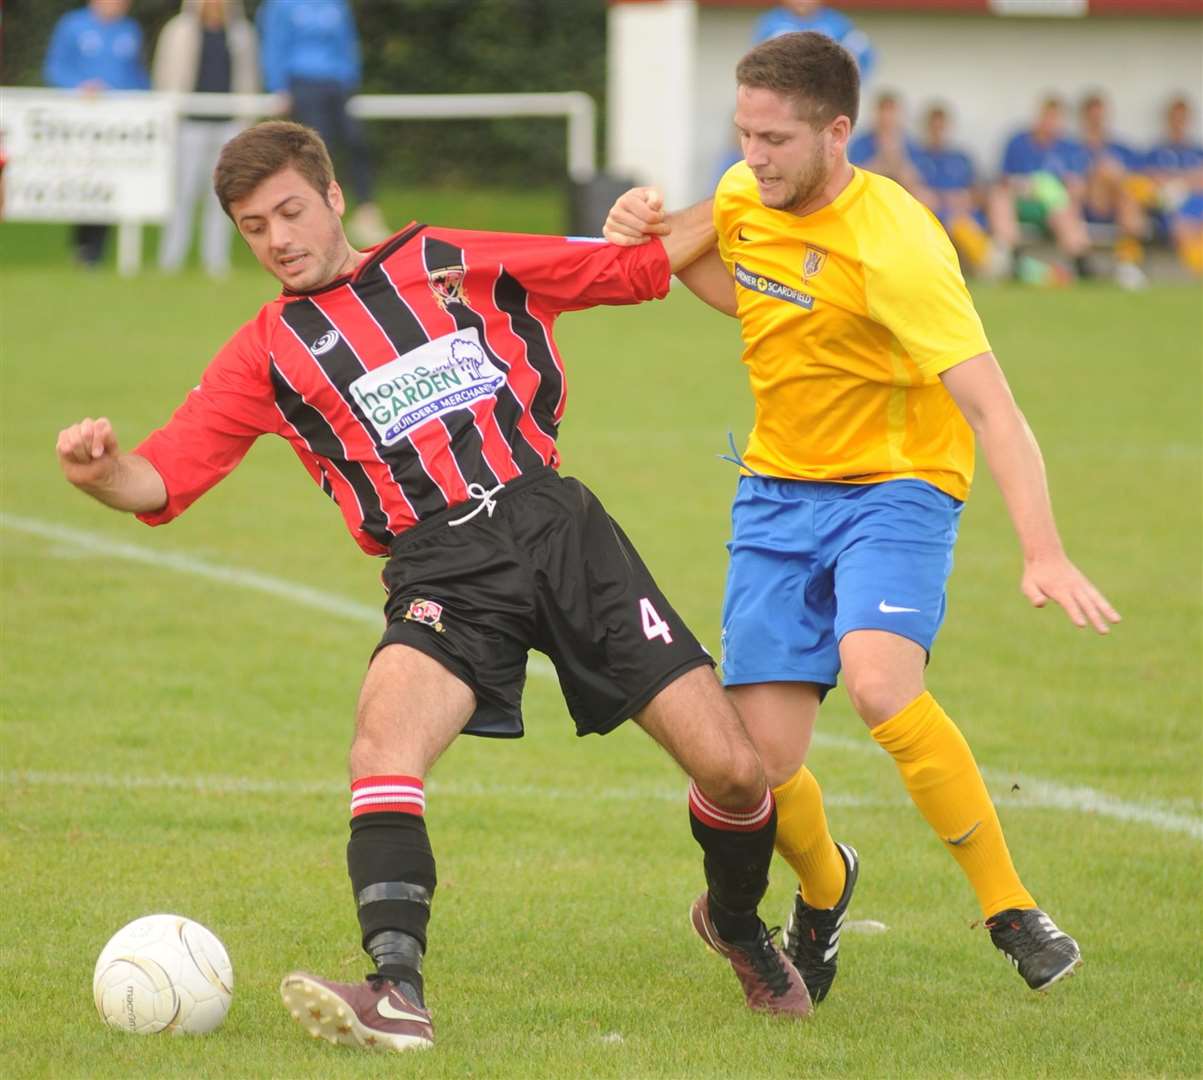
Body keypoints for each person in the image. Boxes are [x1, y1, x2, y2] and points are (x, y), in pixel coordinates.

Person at [55, 120, 813, 1053]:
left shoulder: (449, 258)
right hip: (441, 567)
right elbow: (163, 476)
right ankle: (394, 990)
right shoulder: (267, 353)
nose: (279, 239)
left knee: (737, 775)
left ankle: (735, 924)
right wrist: (102, 472)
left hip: (559, 528)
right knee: (382, 747)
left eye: (290, 211)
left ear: (334, 197)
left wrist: (744, 191)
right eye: (255, 227)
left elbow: (625, 271)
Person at [603, 31, 1119, 1004]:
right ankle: (827, 886)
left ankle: (1011, 908)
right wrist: (645, 227)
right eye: (743, 133)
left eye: (776, 139)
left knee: (881, 685)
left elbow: (993, 408)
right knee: (757, 768)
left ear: (839, 132)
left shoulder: (902, 244)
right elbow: (748, 292)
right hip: (775, 494)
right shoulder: (742, 193)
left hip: (898, 484)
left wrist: (1043, 550)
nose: (753, 157)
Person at [255, 0, 388, 247]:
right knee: (319, 148)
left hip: (337, 85)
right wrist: (278, 86)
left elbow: (347, 43)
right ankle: (318, 216)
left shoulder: (336, 5)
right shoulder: (281, 5)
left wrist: (350, 81)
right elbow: (274, 44)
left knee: (357, 142)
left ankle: (365, 212)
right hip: (302, 83)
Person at [152, 0, 259, 276]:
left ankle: (216, 260)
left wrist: (246, 119)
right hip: (188, 124)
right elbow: (164, 75)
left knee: (223, 196)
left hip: (228, 126)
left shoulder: (241, 33)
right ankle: (170, 260)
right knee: (182, 192)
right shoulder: (178, 31)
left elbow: (248, 77)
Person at [42, 0, 150, 267]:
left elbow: (137, 76)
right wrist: (79, 87)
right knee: (83, 180)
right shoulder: (72, 25)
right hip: (80, 124)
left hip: (118, 127)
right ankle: (81, 245)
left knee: (112, 179)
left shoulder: (130, 30)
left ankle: (95, 251)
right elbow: (55, 67)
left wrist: (145, 101)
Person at [913, 102, 1025, 282]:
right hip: (935, 218)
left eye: (941, 127)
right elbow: (913, 190)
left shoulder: (961, 157)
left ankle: (1000, 257)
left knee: (987, 206)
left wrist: (966, 198)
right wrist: (941, 198)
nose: (938, 132)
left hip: (966, 215)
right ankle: (992, 265)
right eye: (934, 127)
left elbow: (979, 191)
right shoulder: (916, 157)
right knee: (956, 223)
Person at [1000, 96, 1096, 280]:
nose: (1050, 123)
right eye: (1047, 117)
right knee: (1000, 198)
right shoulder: (1018, 142)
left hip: (1055, 206)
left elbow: (1078, 187)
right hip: (1023, 201)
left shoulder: (1069, 148)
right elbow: (1005, 180)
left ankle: (1080, 261)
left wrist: (1060, 188)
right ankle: (1012, 256)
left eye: (1055, 119)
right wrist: (1028, 185)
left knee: (1064, 207)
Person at [1064, 92, 1148, 289]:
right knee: (1103, 173)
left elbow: (1136, 178)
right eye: (1092, 117)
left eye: (1100, 117)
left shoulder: (1121, 147)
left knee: (1125, 193)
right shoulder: (1071, 149)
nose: (1097, 121)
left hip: (1115, 204)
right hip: (1083, 204)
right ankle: (1086, 259)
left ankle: (1127, 263)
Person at [1142, 96, 1203, 276]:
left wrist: (1177, 180)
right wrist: (1187, 180)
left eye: (1182, 118)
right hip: (1171, 207)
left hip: (1197, 202)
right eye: (1175, 117)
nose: (1179, 122)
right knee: (1182, 225)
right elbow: (1152, 179)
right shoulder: (1156, 151)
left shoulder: (1197, 151)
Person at [752, 1, 874, 78]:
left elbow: (863, 57)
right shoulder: (770, 24)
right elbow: (758, 64)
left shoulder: (839, 24)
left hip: (827, 94)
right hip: (785, 94)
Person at [847, 91, 927, 195]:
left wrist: (897, 158)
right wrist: (882, 159)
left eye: (891, 111)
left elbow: (917, 181)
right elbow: (855, 178)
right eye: (883, 111)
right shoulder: (860, 143)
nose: (887, 117)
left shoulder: (911, 144)